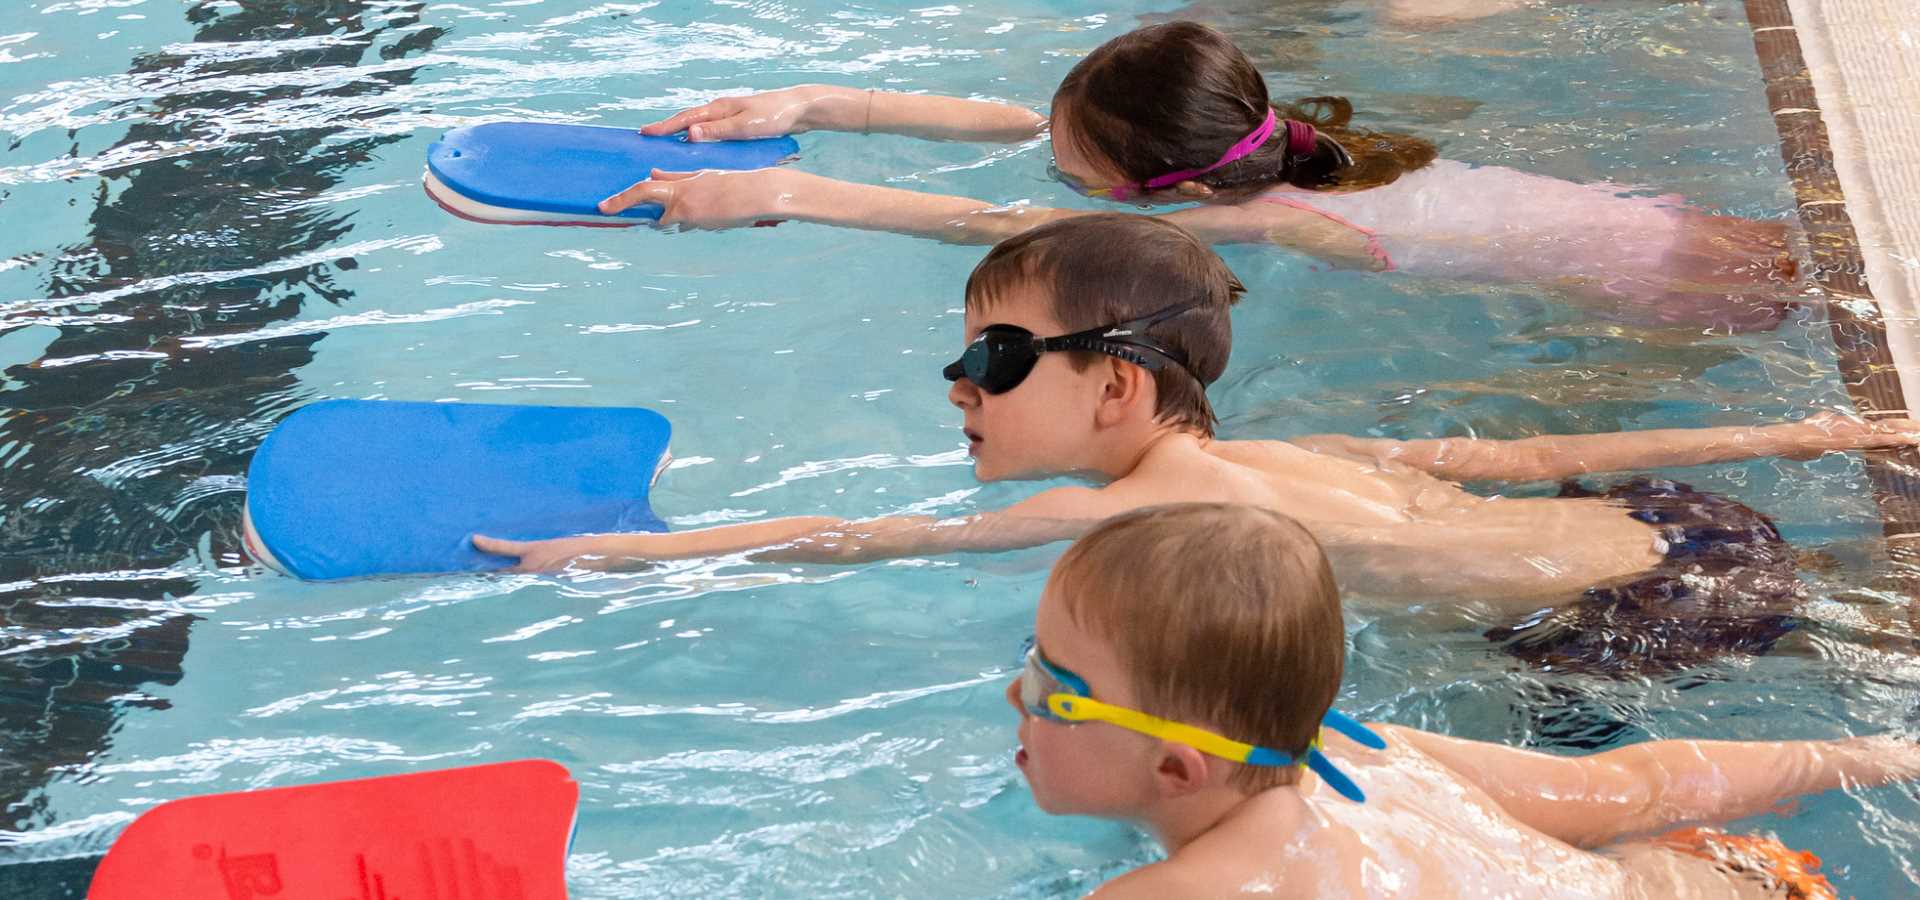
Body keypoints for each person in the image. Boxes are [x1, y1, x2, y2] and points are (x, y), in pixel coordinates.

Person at [475, 215, 1917, 671]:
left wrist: (616, 554)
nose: (957, 387)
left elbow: (848, 539)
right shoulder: (1288, 450)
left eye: (991, 359)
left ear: (1115, 390)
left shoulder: (1126, 517)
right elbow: (1544, 452)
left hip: (1634, 607)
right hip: (1679, 524)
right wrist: (1810, 426)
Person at [602, 22, 1799, 331]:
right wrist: (813, 102)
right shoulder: (1269, 138)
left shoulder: (1280, 225)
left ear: (1169, 197)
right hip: (1661, 227)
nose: (1048, 151)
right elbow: (1013, 130)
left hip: (1671, 292)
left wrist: (792, 191)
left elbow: (1006, 221)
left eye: (1080, 162)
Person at [1007, 501, 1919, 898]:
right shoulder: (1368, 751)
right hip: (1737, 875)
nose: (1017, 689)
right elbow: (1633, 787)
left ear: (1177, 765)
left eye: (1054, 688)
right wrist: (1871, 757)